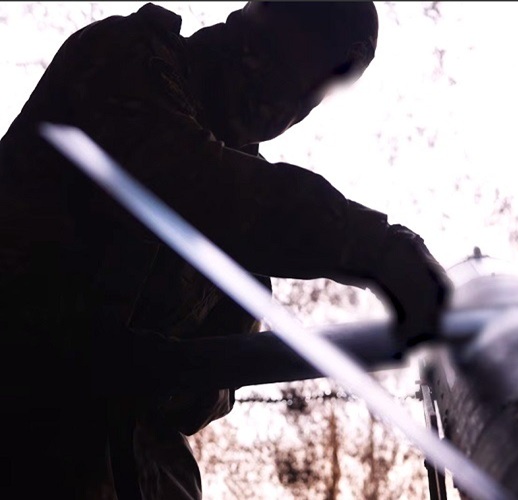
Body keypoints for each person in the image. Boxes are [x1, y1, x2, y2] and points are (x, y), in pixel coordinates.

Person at [0, 2, 450, 499]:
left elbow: (206, 396)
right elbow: (192, 183)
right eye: (289, 65)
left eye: (314, 91)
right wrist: (377, 247)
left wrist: (175, 375)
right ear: (254, 26)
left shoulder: (245, 245)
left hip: (130, 466)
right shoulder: (123, 57)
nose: (293, 105)